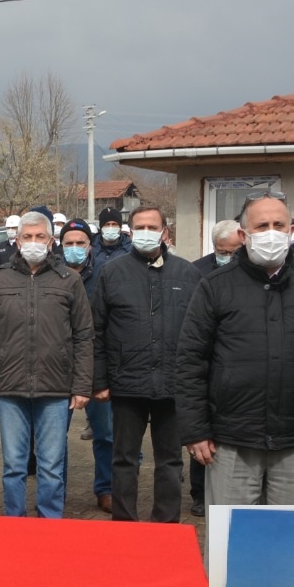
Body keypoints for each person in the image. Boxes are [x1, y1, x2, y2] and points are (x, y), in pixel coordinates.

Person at [177, 193, 294, 505]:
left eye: (278, 224)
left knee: (289, 539)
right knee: (230, 539)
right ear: (243, 235)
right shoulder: (215, 286)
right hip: (231, 439)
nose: (271, 232)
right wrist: (195, 430)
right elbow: (191, 362)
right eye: (261, 226)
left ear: (292, 232)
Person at [0, 211, 92, 518]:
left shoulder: (71, 281)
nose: (34, 243)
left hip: (56, 390)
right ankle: (15, 524)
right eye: (28, 237)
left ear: (52, 241)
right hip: (10, 390)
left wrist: (81, 385)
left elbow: (84, 336)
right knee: (14, 466)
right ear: (17, 240)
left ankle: (49, 525)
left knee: (52, 468)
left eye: (40, 237)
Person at [91, 207, 201, 523]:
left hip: (173, 384)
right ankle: (125, 522)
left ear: (165, 231)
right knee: (124, 458)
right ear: (130, 231)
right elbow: (97, 330)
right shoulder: (112, 273)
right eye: (139, 226)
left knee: (170, 460)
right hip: (127, 383)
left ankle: (165, 523)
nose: (146, 231)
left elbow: (198, 334)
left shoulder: (187, 274)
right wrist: (99, 381)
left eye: (152, 226)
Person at [184, 219, 247, 516]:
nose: (228, 257)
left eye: (234, 251)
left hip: (237, 371)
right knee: (201, 437)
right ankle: (199, 493)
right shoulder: (198, 272)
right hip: (207, 365)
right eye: (223, 251)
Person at [58, 222, 114, 512]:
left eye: (81, 243)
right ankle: (56, 491)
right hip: (59, 369)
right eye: (69, 243)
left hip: (96, 366)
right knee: (55, 438)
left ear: (90, 245)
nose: (75, 248)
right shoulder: (51, 274)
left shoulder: (105, 274)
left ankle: (106, 489)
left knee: (105, 433)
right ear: (60, 245)